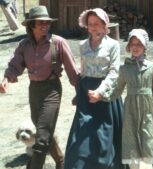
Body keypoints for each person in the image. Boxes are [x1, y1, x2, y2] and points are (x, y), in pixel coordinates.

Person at [0, 5, 79, 169]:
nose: (45, 26)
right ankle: (61, 162)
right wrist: (6, 78)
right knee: (45, 132)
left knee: (42, 138)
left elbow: (73, 71)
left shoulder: (58, 43)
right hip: (34, 91)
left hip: (52, 91)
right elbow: (15, 65)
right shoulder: (24, 45)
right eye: (41, 23)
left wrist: (80, 92)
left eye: (47, 23)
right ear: (31, 25)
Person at [100, 29, 153, 169]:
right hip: (130, 113)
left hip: (147, 112)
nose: (135, 47)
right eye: (132, 44)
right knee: (131, 145)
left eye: (139, 44)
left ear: (145, 47)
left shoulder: (152, 68)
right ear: (129, 46)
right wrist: (101, 96)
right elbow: (117, 90)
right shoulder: (124, 69)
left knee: (150, 141)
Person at [64, 8, 124, 169]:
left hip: (107, 94)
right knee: (83, 134)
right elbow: (83, 72)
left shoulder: (113, 45)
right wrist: (79, 93)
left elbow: (114, 72)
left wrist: (101, 92)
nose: (93, 27)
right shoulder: (82, 45)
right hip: (86, 94)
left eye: (97, 24)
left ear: (105, 25)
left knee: (103, 135)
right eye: (90, 24)